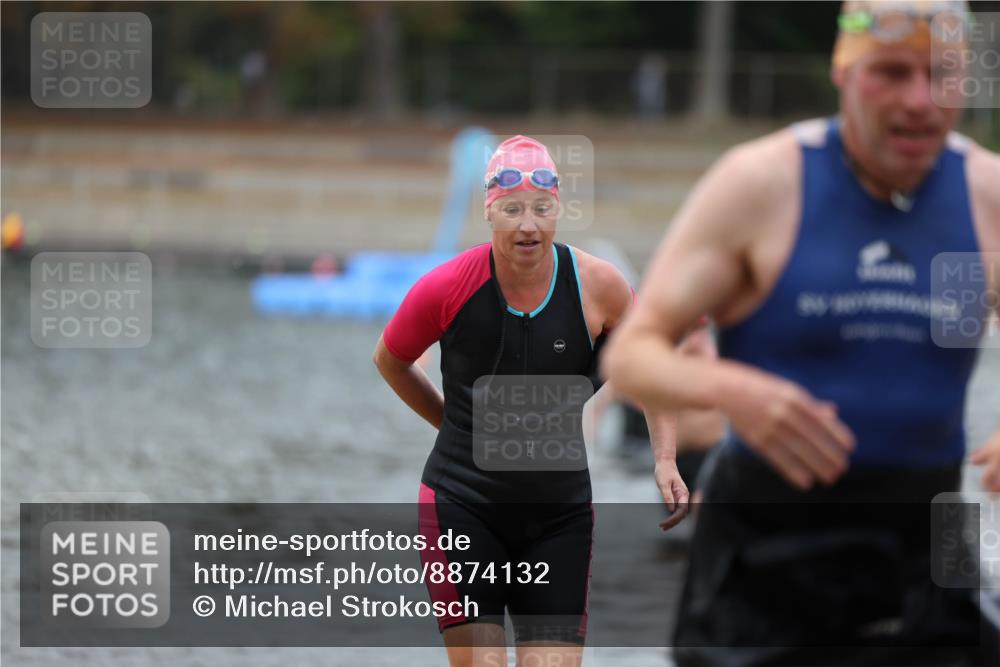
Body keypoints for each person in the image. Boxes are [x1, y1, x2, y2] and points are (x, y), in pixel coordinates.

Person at [604, 1, 1000, 664]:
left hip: (929, 526)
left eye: (944, 75)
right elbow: (635, 353)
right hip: (769, 537)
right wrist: (737, 390)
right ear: (843, 74)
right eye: (892, 73)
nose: (920, 101)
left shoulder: (986, 192)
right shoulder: (762, 182)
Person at [373, 135, 690, 667]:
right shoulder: (448, 287)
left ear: (557, 209)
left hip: (559, 518)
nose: (528, 225)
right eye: (513, 210)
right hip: (463, 506)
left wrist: (664, 457)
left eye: (542, 210)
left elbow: (654, 360)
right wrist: (449, 422)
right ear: (489, 212)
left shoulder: (597, 286)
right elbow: (391, 359)